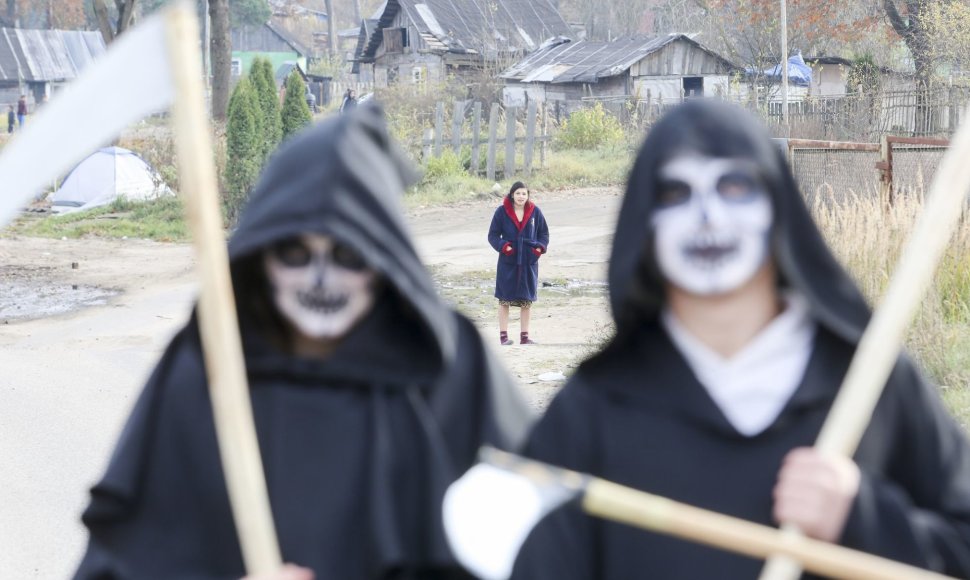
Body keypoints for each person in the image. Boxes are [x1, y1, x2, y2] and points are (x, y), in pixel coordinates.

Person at [509, 100, 970, 578]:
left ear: (777, 209)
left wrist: (864, 517)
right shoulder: (593, 411)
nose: (708, 215)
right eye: (676, 194)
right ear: (644, 226)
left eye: (734, 187)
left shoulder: (871, 382)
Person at [74, 103, 533, 580]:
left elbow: (542, 547)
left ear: (381, 264)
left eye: (347, 255)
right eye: (296, 254)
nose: (320, 280)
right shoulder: (204, 369)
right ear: (262, 261)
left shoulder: (448, 366)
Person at [487, 181, 549, 345]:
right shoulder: (501, 212)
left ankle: (524, 337)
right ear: (512, 195)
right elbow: (493, 235)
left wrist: (539, 249)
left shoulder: (535, 212)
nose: (521, 196)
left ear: (528, 195)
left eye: (524, 193)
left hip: (529, 260)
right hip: (509, 259)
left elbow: (544, 234)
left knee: (527, 301)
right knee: (504, 299)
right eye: (518, 193)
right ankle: (503, 337)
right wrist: (503, 246)